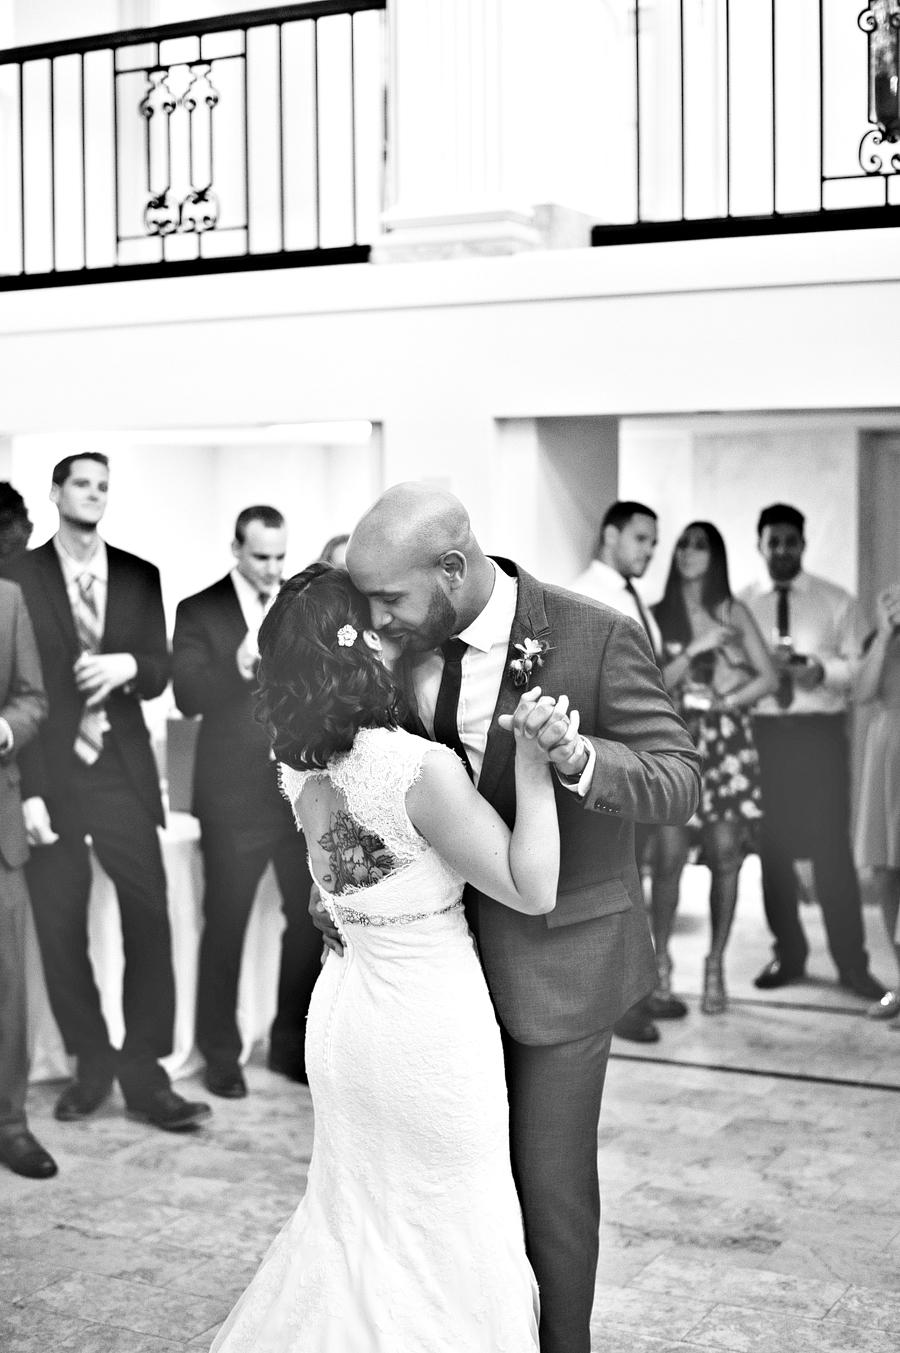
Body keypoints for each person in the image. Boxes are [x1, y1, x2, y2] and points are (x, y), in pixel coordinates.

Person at [322, 484, 699, 1353]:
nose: (377, 620)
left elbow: (680, 778)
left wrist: (579, 758)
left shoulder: (594, 634)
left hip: (558, 962)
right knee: (457, 1187)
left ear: (452, 567)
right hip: (435, 974)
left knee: (548, 1188)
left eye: (389, 599)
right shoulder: (401, 645)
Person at [211, 562, 567, 1351]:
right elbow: (530, 885)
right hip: (425, 1027)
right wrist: (537, 767)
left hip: (344, 1018)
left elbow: (348, 880)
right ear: (363, 643)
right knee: (448, 1224)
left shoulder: (299, 765)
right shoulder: (417, 769)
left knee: (356, 1222)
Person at [2, 454, 210, 1131]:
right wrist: (28, 793)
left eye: (103, 485)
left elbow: (161, 671)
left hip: (120, 769)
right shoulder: (19, 576)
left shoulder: (139, 575)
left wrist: (130, 665)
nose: (93, 494)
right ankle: (90, 1063)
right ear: (56, 493)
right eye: (82, 483)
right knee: (61, 932)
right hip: (51, 775)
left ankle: (144, 1073)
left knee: (148, 918)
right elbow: (16, 692)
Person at [172, 506, 323, 1096]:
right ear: (236, 549)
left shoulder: (297, 607)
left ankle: (288, 1044)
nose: (272, 568)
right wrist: (233, 668)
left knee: (307, 925)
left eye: (280, 556)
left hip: (295, 794)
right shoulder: (200, 608)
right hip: (232, 799)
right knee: (226, 926)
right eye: (261, 557)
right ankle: (220, 1055)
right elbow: (184, 695)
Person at [740, 503, 885, 999]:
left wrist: (819, 671)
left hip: (819, 734)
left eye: (790, 541)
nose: (782, 550)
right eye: (772, 541)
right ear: (760, 545)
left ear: (803, 544)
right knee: (772, 851)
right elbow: (730, 672)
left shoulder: (836, 601)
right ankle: (789, 953)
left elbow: (860, 670)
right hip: (762, 736)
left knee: (831, 853)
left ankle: (852, 963)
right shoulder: (742, 606)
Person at [652, 522, 776, 1013]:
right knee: (668, 856)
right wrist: (699, 650)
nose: (687, 553)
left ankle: (715, 965)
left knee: (726, 855)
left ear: (716, 555)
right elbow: (654, 682)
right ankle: (660, 964)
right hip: (676, 742)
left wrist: (728, 698)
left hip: (725, 745)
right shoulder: (659, 615)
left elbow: (767, 678)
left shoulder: (733, 610)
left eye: (699, 545)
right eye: (682, 544)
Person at [572, 499, 673, 1038]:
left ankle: (641, 989)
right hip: (606, 764)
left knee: (637, 881)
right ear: (610, 535)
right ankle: (619, 1006)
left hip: (641, 761)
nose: (650, 551)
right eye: (642, 539)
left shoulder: (635, 600)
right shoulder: (585, 597)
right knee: (611, 884)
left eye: (654, 542)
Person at [0, 495, 56, 1178]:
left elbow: (33, 696)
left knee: (7, 985)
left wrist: (8, 727)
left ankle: (10, 1123)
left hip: (0, 827)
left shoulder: (9, 599)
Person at [854, 581, 900, 1025]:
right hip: (887, 748)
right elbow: (862, 692)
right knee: (885, 869)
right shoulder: (882, 634)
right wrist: (885, 634)